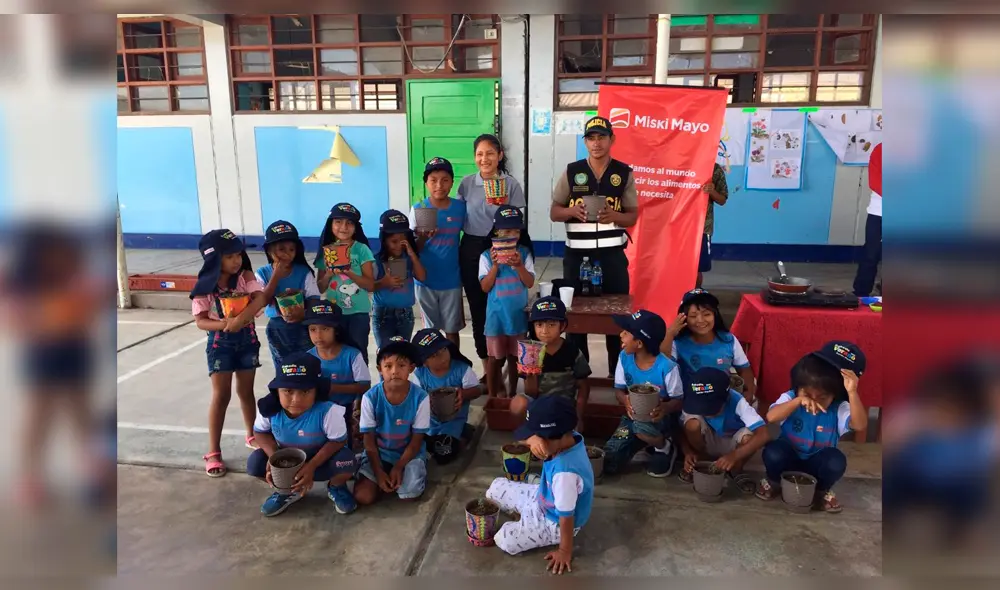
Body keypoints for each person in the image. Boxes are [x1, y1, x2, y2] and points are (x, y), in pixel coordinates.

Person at [190, 229, 285, 477]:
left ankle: (252, 434)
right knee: (221, 395)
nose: (237, 260)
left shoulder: (245, 276)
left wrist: (241, 318)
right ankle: (213, 451)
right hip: (220, 345)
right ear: (214, 258)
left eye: (239, 255)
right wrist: (224, 325)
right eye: (230, 256)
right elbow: (200, 320)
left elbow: (261, 298)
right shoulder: (206, 285)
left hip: (247, 341)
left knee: (245, 391)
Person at [550, 115, 639, 376]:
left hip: (612, 256)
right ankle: (580, 375)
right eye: (591, 138)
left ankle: (618, 374)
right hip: (577, 257)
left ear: (612, 139)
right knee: (576, 319)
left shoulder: (623, 173)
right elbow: (554, 212)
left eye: (601, 137)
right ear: (585, 142)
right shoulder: (572, 171)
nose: (596, 143)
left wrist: (615, 217)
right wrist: (571, 212)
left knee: (617, 317)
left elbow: (632, 215)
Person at [485, 395, 594, 574]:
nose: (531, 439)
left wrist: (564, 551)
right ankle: (524, 514)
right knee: (495, 487)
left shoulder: (565, 474)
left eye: (536, 435)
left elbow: (566, 516)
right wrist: (532, 440)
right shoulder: (569, 437)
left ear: (552, 437)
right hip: (544, 496)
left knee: (503, 539)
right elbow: (522, 438)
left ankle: (525, 520)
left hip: (555, 522)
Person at [756, 342, 867, 513]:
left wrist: (852, 393)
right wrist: (797, 401)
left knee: (836, 460)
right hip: (788, 459)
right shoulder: (791, 397)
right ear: (797, 387)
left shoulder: (839, 407)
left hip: (817, 465)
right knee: (773, 451)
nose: (813, 400)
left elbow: (859, 425)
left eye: (822, 397)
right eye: (807, 394)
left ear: (834, 396)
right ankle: (774, 482)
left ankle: (822, 491)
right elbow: (771, 417)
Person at [247, 352, 358, 516]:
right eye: (288, 391)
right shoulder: (268, 409)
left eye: (305, 392)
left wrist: (311, 466)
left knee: (347, 460)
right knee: (255, 463)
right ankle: (286, 490)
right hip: (288, 464)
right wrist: (274, 458)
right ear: (277, 391)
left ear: (317, 391)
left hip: (321, 462)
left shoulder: (329, 411)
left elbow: (337, 442)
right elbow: (259, 432)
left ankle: (336, 486)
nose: (296, 399)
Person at [457, 134, 526, 374]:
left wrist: (501, 208)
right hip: (473, 248)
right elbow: (456, 217)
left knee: (505, 306)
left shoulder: (511, 184)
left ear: (500, 156)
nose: (484, 158)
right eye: (479, 154)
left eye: (489, 153)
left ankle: (509, 364)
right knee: (478, 308)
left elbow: (519, 221)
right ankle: (488, 368)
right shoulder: (466, 183)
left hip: (504, 246)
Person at [602, 309, 683, 478]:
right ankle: (642, 443)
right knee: (608, 460)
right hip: (632, 417)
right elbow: (619, 389)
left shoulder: (667, 367)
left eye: (626, 333)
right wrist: (625, 400)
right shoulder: (624, 357)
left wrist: (664, 409)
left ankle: (664, 446)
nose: (621, 335)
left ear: (639, 344)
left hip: (659, 418)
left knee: (641, 429)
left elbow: (679, 400)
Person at [354, 337, 430, 505]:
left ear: (411, 368)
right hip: (379, 453)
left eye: (401, 365)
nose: (395, 371)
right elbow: (368, 439)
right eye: (388, 366)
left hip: (408, 453)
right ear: (379, 369)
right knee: (363, 497)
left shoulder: (421, 397)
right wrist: (379, 471)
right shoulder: (370, 397)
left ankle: (415, 468)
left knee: (409, 494)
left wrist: (399, 466)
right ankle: (373, 472)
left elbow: (417, 439)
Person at [678, 367, 769, 493]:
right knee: (691, 424)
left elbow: (764, 433)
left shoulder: (738, 402)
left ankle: (736, 470)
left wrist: (734, 456)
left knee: (750, 437)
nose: (704, 411)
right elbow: (680, 429)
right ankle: (702, 462)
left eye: (709, 407)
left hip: (732, 444)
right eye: (700, 407)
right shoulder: (693, 398)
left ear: (725, 399)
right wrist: (687, 452)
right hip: (707, 442)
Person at [663, 289, 757, 405]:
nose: (700, 320)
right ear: (683, 318)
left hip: (723, 400)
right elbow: (662, 362)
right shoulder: (677, 343)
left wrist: (749, 392)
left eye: (707, 314)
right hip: (691, 403)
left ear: (715, 315)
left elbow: (744, 369)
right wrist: (670, 333)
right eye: (693, 316)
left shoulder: (728, 340)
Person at [479, 205, 536, 398]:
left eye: (516, 231)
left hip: (518, 316)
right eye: (507, 231)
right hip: (496, 318)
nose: (513, 235)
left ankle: (512, 394)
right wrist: (495, 266)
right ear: (497, 232)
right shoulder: (486, 256)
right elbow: (485, 287)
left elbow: (529, 283)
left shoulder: (524, 253)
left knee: (514, 358)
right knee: (494, 359)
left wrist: (519, 266)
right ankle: (493, 397)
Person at [410, 157, 467, 348]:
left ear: (452, 182)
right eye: (433, 180)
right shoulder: (419, 209)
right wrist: (424, 237)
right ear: (426, 183)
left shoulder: (460, 208)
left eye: (445, 180)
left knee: (452, 330)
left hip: (452, 280)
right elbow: (412, 249)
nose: (439, 185)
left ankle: (454, 365)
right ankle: (433, 370)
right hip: (425, 281)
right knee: (431, 332)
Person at [513, 297, 591, 432]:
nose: (545, 330)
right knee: (518, 403)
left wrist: (579, 416)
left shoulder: (572, 351)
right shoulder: (529, 352)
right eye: (539, 325)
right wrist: (531, 375)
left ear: (562, 326)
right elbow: (530, 393)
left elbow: (584, 386)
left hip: (564, 406)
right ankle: (529, 433)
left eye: (551, 324)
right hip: (540, 405)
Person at [303, 298, 370, 448]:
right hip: (317, 409)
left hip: (344, 409)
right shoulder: (308, 357)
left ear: (337, 330)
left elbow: (364, 386)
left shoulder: (352, 355)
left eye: (325, 329)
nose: (318, 335)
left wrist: (333, 388)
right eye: (313, 329)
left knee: (343, 446)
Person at [410, 328, 482, 465]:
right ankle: (435, 442)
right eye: (434, 355)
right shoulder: (420, 374)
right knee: (409, 442)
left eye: (443, 350)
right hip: (429, 422)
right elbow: (415, 398)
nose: (442, 356)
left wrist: (464, 393)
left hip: (453, 421)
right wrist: (425, 401)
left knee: (444, 455)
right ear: (424, 362)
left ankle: (463, 434)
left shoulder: (462, 369)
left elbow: (478, 390)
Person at [315, 202, 375, 366]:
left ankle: (360, 389)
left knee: (358, 355)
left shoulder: (361, 250)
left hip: (358, 314)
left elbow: (370, 285)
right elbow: (320, 287)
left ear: (356, 227)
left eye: (349, 223)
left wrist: (348, 271)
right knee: (334, 355)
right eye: (338, 222)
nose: (344, 227)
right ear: (331, 224)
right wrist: (328, 273)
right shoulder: (326, 251)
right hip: (333, 314)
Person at [255, 220, 320, 369]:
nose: (287, 254)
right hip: (277, 327)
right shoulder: (262, 273)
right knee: (283, 366)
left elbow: (314, 299)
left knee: (308, 363)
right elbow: (262, 300)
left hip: (303, 324)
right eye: (281, 249)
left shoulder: (304, 272)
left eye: (291, 249)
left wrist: (302, 311)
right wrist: (276, 275)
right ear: (270, 251)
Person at [372, 209, 426, 348]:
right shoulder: (376, 260)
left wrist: (412, 254)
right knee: (386, 354)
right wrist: (385, 282)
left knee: (403, 353)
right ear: (384, 241)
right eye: (394, 241)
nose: (398, 246)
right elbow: (369, 286)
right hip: (383, 313)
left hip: (405, 313)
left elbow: (422, 276)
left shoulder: (408, 258)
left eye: (403, 241)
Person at [853, 142, 882, 296]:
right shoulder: (881, 149)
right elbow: (875, 182)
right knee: (871, 253)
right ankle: (861, 292)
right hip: (879, 212)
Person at [698, 163, 729, 288]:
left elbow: (722, 200)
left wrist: (712, 192)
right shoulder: (678, 165)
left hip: (702, 228)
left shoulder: (714, 169)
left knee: (697, 268)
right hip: (675, 226)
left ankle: (695, 299)